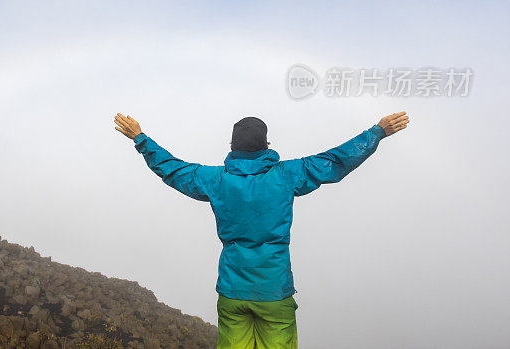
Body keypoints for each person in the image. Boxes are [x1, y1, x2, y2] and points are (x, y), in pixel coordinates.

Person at [114, 111, 410, 349]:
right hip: (274, 291)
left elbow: (173, 169)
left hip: (232, 292)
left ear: (232, 147)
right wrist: (378, 132)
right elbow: (336, 160)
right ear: (267, 146)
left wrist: (140, 138)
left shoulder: (215, 179)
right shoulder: (288, 175)